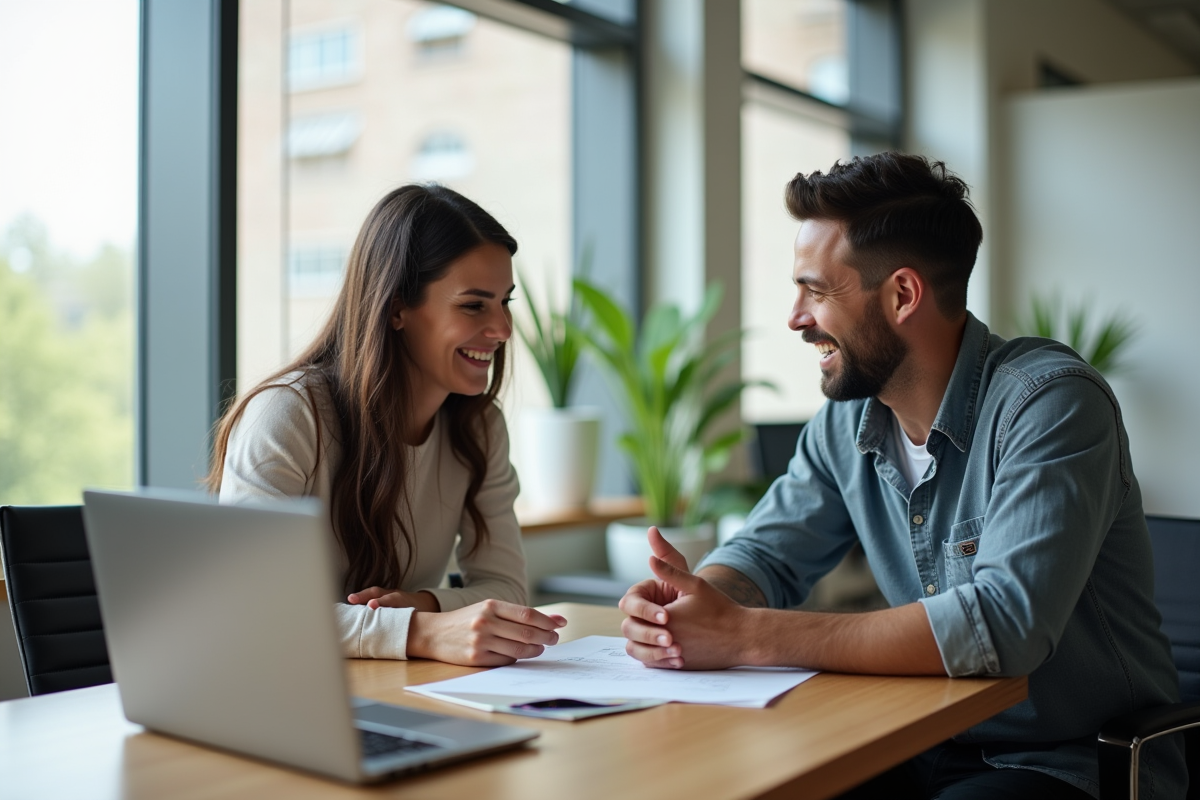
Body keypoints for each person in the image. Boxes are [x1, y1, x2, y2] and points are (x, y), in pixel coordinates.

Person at [619, 153, 1184, 799]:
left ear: (903, 295)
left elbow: (1004, 625)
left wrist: (745, 635)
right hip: (914, 737)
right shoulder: (846, 424)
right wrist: (695, 602)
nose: (796, 317)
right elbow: (764, 557)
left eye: (817, 291)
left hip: (1071, 762)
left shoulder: (1050, 403)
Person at [207, 184, 565, 667]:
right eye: (474, 305)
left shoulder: (480, 428)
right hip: (275, 685)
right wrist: (420, 632)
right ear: (397, 308)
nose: (502, 329)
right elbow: (251, 606)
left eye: (506, 302)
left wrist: (424, 604)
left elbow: (506, 587)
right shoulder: (287, 415)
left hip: (387, 687)